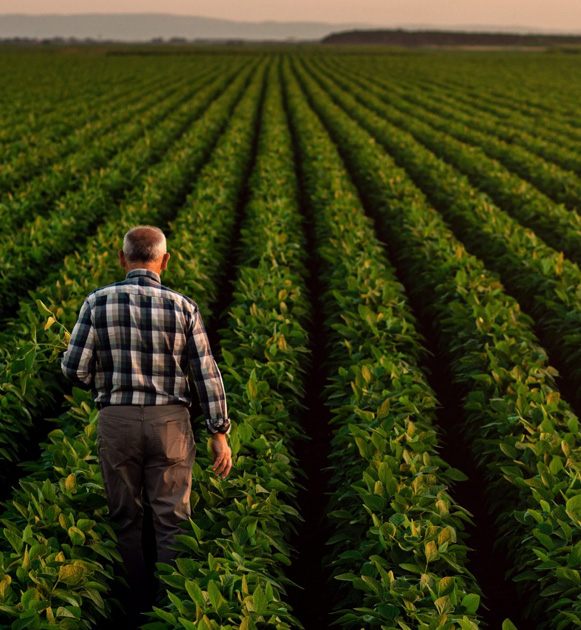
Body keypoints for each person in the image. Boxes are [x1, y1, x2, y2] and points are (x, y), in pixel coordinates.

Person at [61, 225, 232, 624]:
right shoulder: (183, 307)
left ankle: (132, 603)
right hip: (170, 423)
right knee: (172, 520)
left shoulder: (96, 303)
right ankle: (172, 607)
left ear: (122, 258)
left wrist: (101, 380)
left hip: (116, 418)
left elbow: (73, 369)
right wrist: (218, 432)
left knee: (125, 516)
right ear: (164, 261)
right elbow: (206, 374)